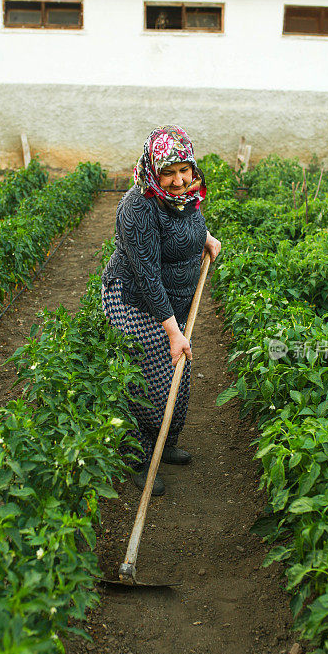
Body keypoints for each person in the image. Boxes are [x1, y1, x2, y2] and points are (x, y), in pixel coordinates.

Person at [101, 125, 221, 496]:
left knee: (177, 373)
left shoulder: (187, 197)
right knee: (146, 374)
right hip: (136, 298)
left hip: (174, 302)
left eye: (183, 169)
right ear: (152, 170)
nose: (177, 180)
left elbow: (184, 228)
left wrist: (205, 238)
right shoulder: (137, 207)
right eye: (167, 172)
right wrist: (172, 331)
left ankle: (163, 444)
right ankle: (135, 458)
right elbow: (147, 275)